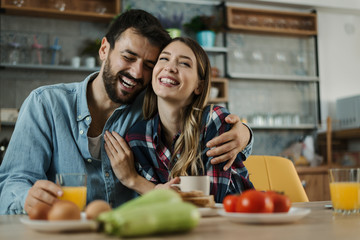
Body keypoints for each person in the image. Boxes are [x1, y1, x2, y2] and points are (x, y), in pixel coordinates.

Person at [0, 10, 252, 215]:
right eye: (128, 57)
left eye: (149, 65)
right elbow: (12, 183)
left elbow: (199, 132)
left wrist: (244, 133)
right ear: (104, 50)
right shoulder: (46, 104)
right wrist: (26, 199)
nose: (137, 73)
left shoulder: (150, 110)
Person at [105, 37, 254, 203]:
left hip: (237, 221)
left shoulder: (214, 120)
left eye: (184, 63)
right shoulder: (138, 137)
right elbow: (155, 208)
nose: (170, 67)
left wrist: (136, 182)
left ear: (199, 86)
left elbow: (209, 201)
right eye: (164, 59)